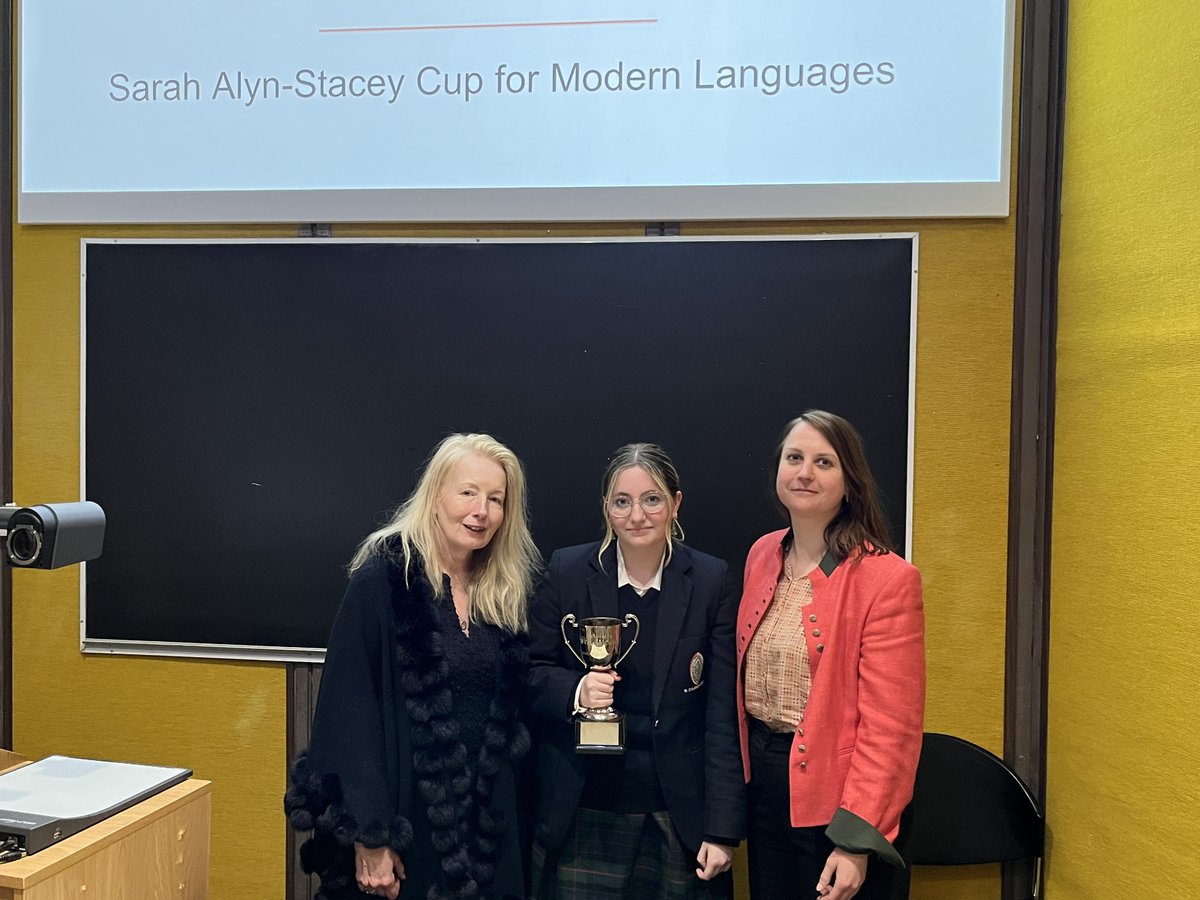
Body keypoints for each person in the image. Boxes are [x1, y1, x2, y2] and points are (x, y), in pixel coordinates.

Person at [285, 433, 540, 900]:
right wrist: (371, 834)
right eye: (468, 492)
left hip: (482, 837)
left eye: (495, 499)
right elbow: (349, 714)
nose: (481, 510)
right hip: (406, 834)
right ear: (436, 494)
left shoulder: (501, 594)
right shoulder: (383, 581)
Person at [527, 443, 745, 899]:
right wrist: (577, 690)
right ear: (606, 508)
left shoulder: (710, 579)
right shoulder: (567, 571)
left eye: (652, 499)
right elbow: (530, 672)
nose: (637, 515)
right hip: (584, 809)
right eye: (622, 501)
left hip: (676, 815)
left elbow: (723, 712)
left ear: (675, 504)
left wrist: (723, 829)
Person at [738, 411, 925, 900]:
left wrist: (854, 841)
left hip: (837, 804)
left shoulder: (887, 579)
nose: (804, 472)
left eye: (824, 462)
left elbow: (892, 728)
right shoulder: (762, 555)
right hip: (765, 786)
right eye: (794, 458)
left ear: (849, 483)